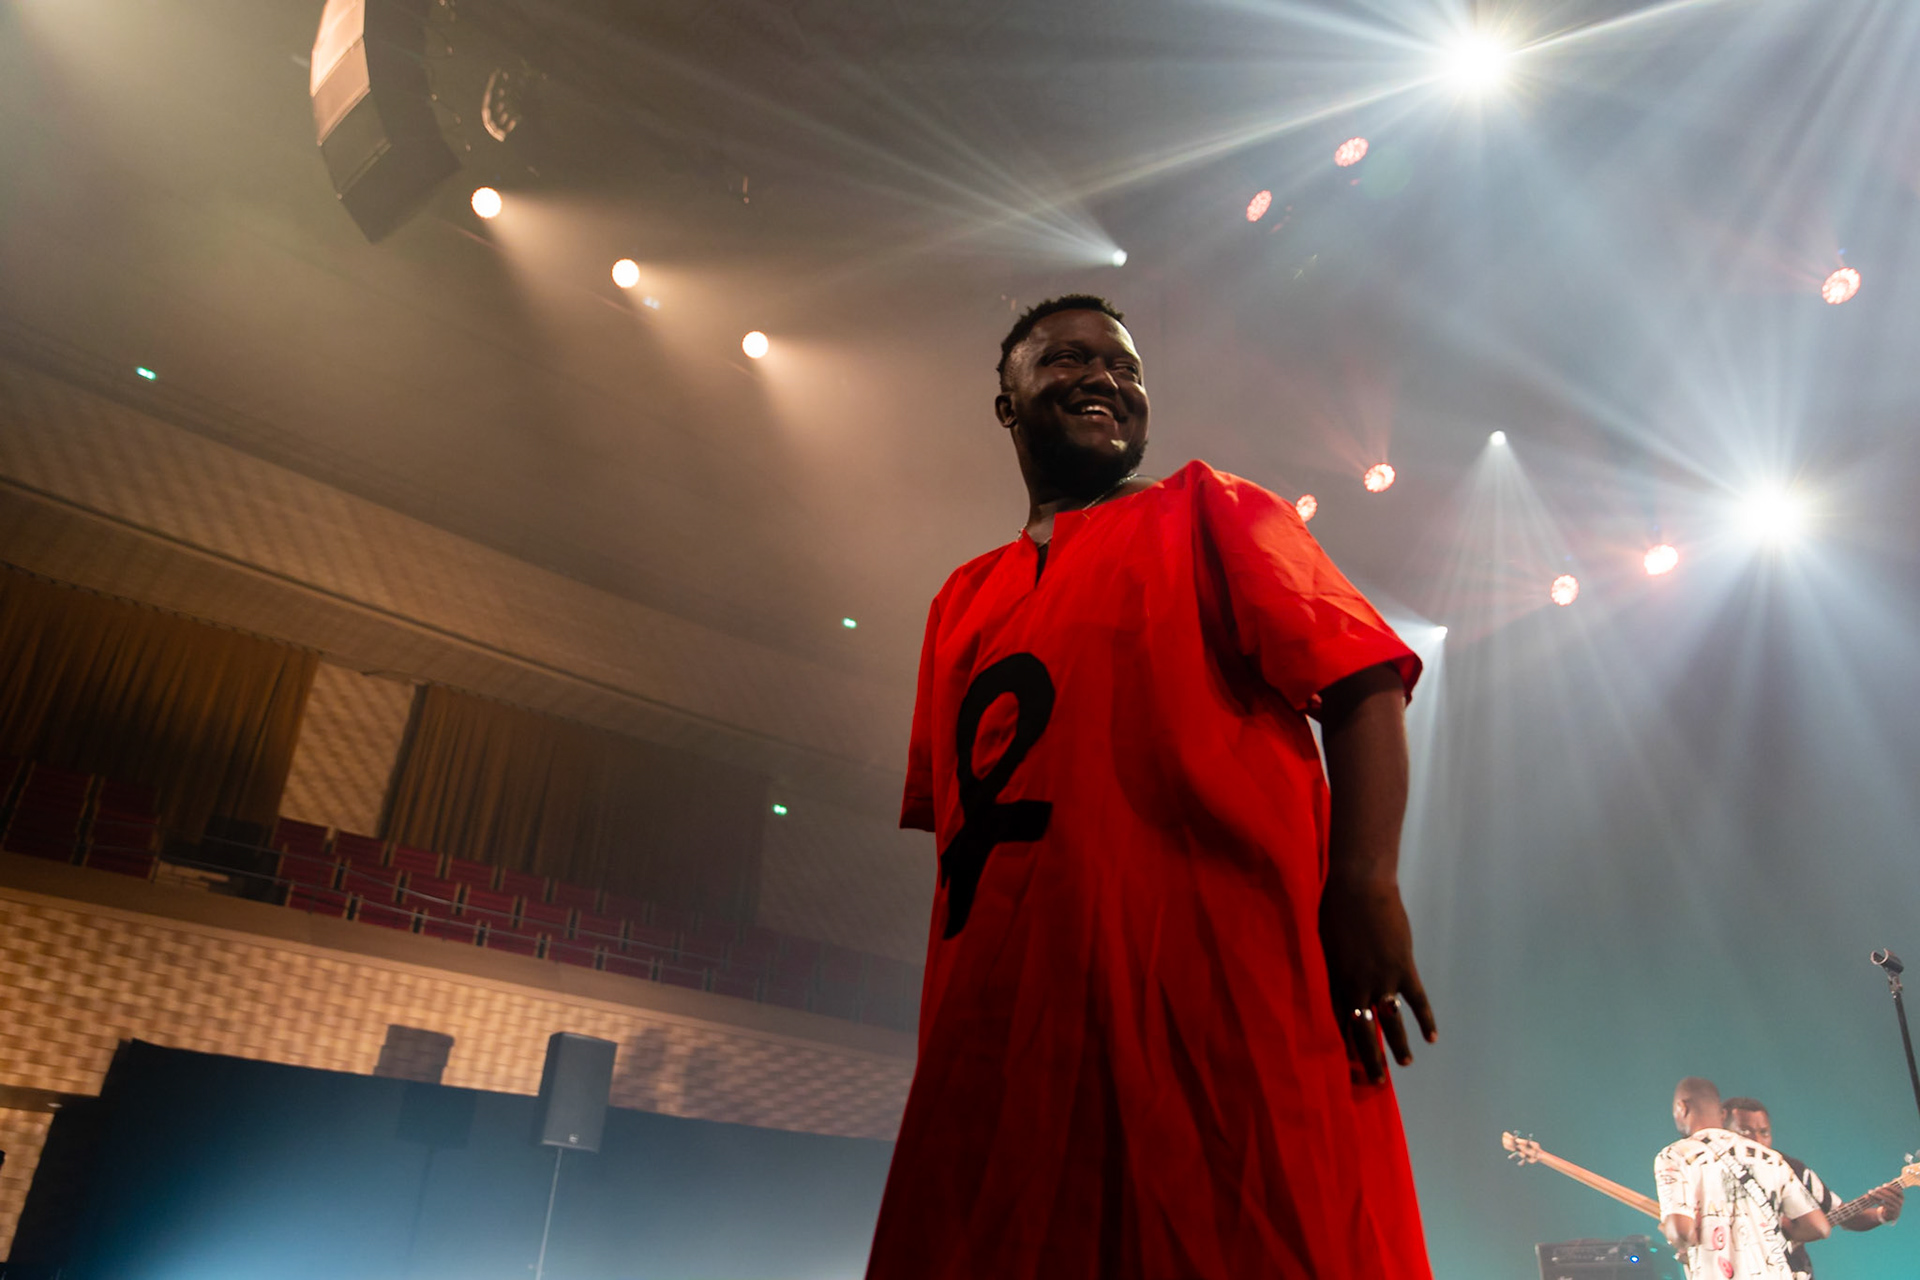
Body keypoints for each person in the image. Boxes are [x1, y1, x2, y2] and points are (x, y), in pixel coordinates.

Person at [865, 295, 1437, 1280]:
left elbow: (1363, 681)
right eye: (1066, 358)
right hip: (1008, 1024)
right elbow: (960, 833)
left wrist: (1365, 883)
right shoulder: (959, 601)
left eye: (1125, 366)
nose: (1104, 377)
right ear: (1006, 404)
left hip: (1212, 988)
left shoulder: (1211, 507)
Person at [1655, 1077, 1830, 1280]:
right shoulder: (1769, 1158)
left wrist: (1669, 1229)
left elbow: (1681, 1234)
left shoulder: (1675, 1156)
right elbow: (1819, 1227)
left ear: (1682, 1107)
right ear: (1722, 1114)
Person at [1722, 1096, 1903, 1279]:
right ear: (1722, 1132)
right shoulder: (1710, 1168)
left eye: (1764, 1132)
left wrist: (1883, 1214)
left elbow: (1845, 1217)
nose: (1757, 1140)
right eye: (1745, 1131)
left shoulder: (1792, 1169)